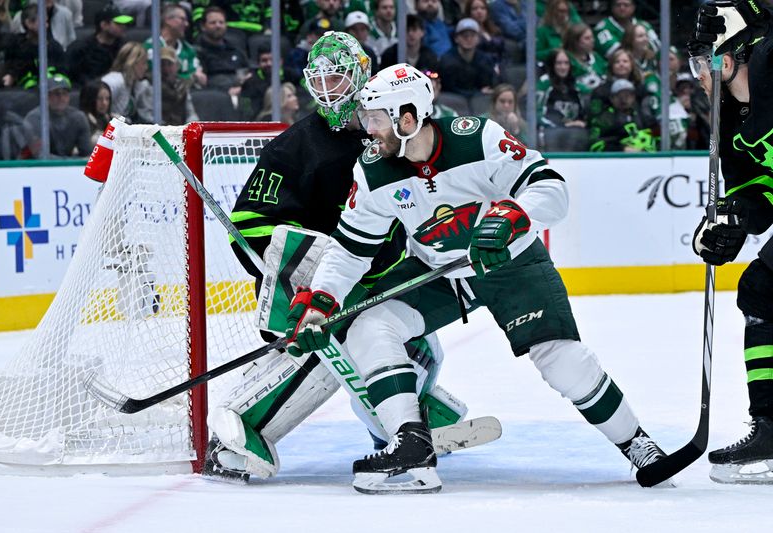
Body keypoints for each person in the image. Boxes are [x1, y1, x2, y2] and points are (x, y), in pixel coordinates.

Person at [285, 62, 668, 494]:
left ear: (407, 119)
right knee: (372, 325)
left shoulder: (477, 138)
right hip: (439, 268)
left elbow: (551, 188)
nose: (367, 130)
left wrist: (511, 216)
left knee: (561, 360)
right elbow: (351, 248)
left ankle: (638, 444)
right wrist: (321, 299)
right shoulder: (372, 170)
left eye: (376, 120)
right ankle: (412, 447)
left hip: (510, 264)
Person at [204, 32, 468, 483]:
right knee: (333, 346)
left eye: (338, 78)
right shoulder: (293, 148)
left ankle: (406, 413)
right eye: (320, 79)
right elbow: (248, 227)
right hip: (311, 292)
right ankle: (240, 430)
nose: (329, 90)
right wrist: (319, 267)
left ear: (361, 75)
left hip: (383, 276)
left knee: (419, 345)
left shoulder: (388, 130)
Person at [689, 0, 773, 484]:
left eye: (704, 62)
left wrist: (745, 9)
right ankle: (770, 425)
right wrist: (734, 223)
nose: (698, 75)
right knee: (761, 288)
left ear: (731, 57)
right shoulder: (729, 120)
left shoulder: (770, 66)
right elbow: (755, 195)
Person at [22, 73, 91, 158]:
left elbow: (87, 153)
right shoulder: (35, 118)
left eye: (64, 93)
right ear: (46, 96)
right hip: (37, 168)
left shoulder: (78, 117)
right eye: (56, 94)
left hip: (70, 167)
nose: (61, 98)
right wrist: (68, 161)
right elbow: (39, 155)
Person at [65, 5, 132, 88]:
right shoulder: (80, 48)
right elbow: (72, 76)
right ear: (104, 25)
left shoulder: (125, 48)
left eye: (124, 24)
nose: (123, 27)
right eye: (118, 23)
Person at [144, 3, 207, 87]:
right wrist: (190, 78)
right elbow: (157, 76)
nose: (186, 24)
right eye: (182, 19)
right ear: (168, 20)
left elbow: (200, 80)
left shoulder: (189, 50)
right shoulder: (151, 47)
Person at [537, 49, 588, 151]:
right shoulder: (545, 84)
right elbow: (537, 114)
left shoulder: (578, 88)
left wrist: (583, 123)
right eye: (559, 63)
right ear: (552, 65)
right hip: (551, 133)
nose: (563, 67)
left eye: (566, 63)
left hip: (576, 134)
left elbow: (587, 114)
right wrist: (563, 125)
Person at [194, 6, 250, 93]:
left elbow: (246, 72)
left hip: (240, 93)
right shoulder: (196, 52)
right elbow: (202, 81)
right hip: (212, 96)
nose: (218, 26)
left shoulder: (236, 50)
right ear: (203, 26)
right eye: (213, 23)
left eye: (221, 22)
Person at [438, 18, 495, 98]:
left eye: (472, 35)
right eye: (464, 36)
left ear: (478, 39)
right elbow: (449, 88)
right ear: (456, 39)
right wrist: (477, 93)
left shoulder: (485, 59)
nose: (468, 39)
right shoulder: (447, 60)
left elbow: (488, 85)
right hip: (454, 101)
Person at [101, 41, 153, 124]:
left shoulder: (139, 84)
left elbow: (147, 115)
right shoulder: (113, 81)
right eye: (143, 63)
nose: (146, 67)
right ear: (132, 63)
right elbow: (99, 112)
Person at [593, 0, 660, 59]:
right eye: (618, 5)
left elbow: (657, 49)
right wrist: (644, 50)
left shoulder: (645, 25)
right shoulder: (603, 27)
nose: (622, 8)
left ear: (633, 7)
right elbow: (617, 55)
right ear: (612, 8)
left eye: (626, 5)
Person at [563, 23, 608, 95]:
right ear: (575, 41)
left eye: (592, 37)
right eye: (587, 38)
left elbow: (606, 75)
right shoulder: (565, 60)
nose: (592, 40)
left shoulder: (596, 57)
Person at [159, 46, 198, 126]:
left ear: (177, 66)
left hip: (179, 129)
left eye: (169, 64)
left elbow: (191, 113)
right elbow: (148, 115)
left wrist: (191, 126)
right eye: (162, 64)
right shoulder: (151, 85)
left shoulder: (182, 86)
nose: (166, 69)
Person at [79, 79, 114, 146]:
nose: (104, 103)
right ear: (90, 99)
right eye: (100, 99)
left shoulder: (113, 119)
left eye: (107, 98)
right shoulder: (81, 121)